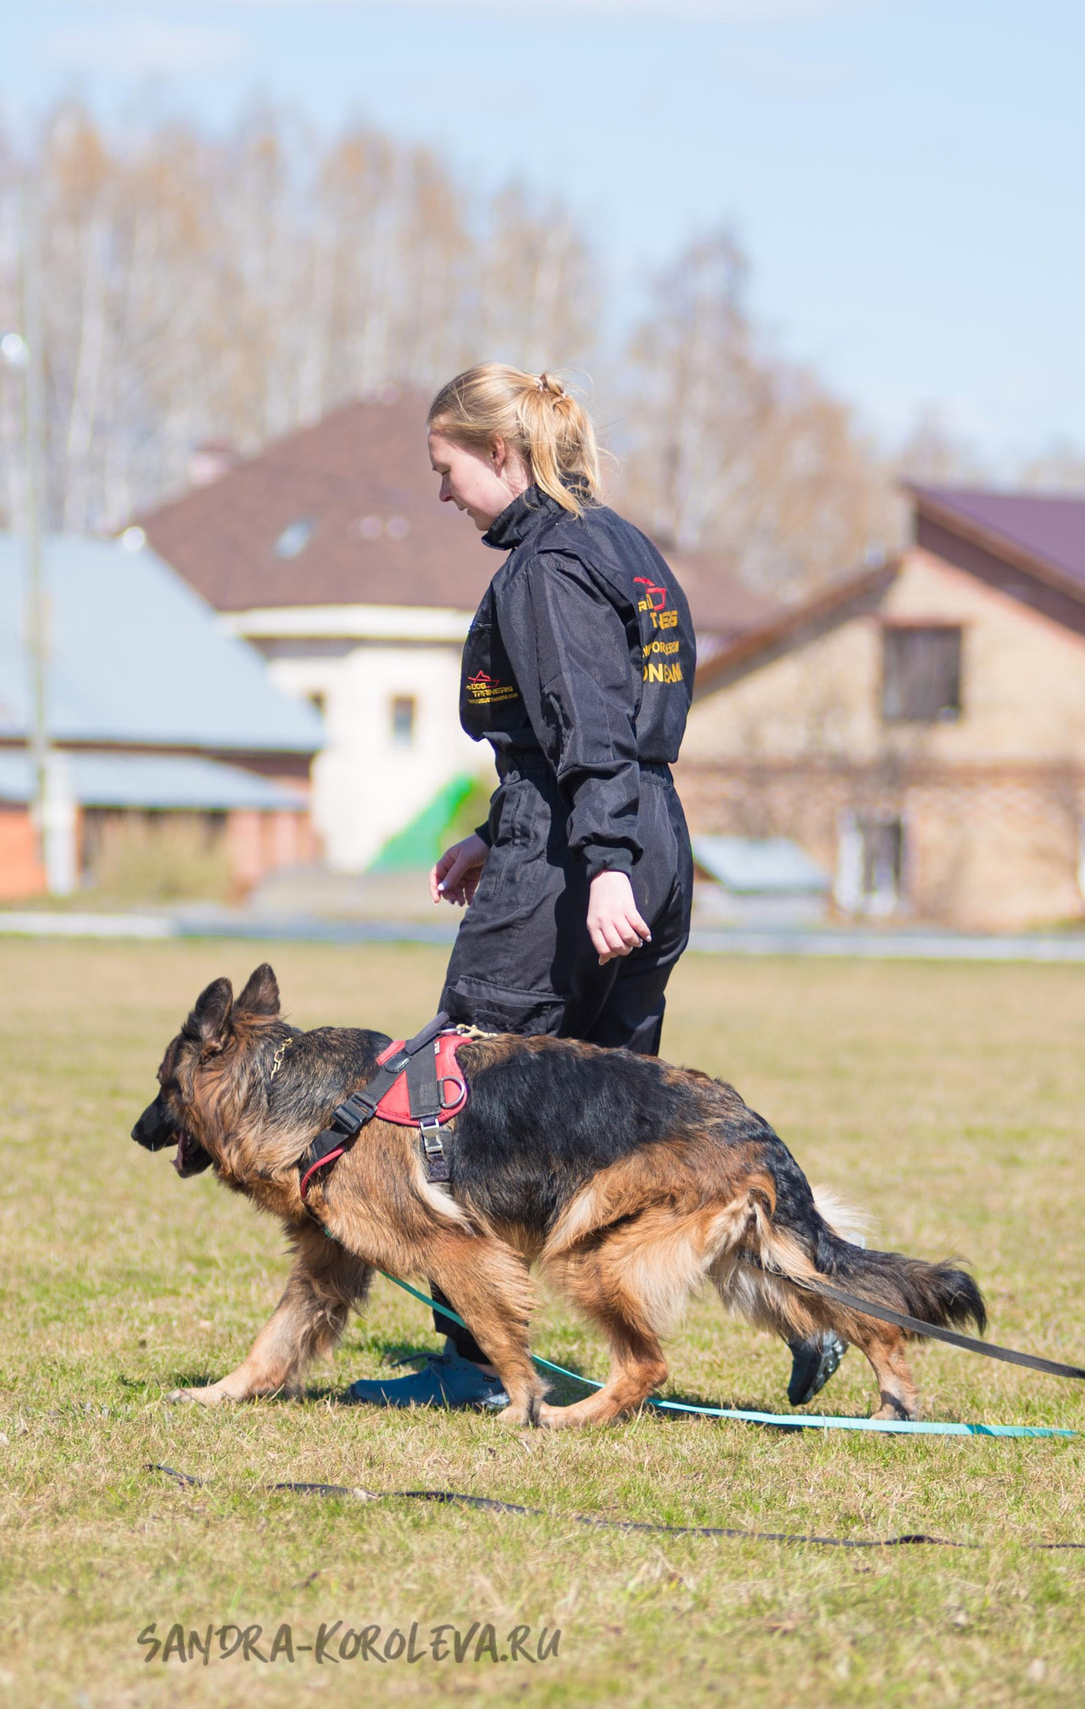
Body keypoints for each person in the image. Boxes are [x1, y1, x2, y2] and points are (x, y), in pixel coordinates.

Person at [347, 363, 847, 1412]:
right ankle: (811, 1303)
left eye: (445, 469)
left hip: (578, 859)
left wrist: (595, 856)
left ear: (500, 452)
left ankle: (476, 1363)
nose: (442, 493)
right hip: (637, 837)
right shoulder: (622, 545)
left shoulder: (544, 566)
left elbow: (586, 725)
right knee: (620, 1125)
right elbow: (592, 726)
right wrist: (508, 830)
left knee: (460, 1100)